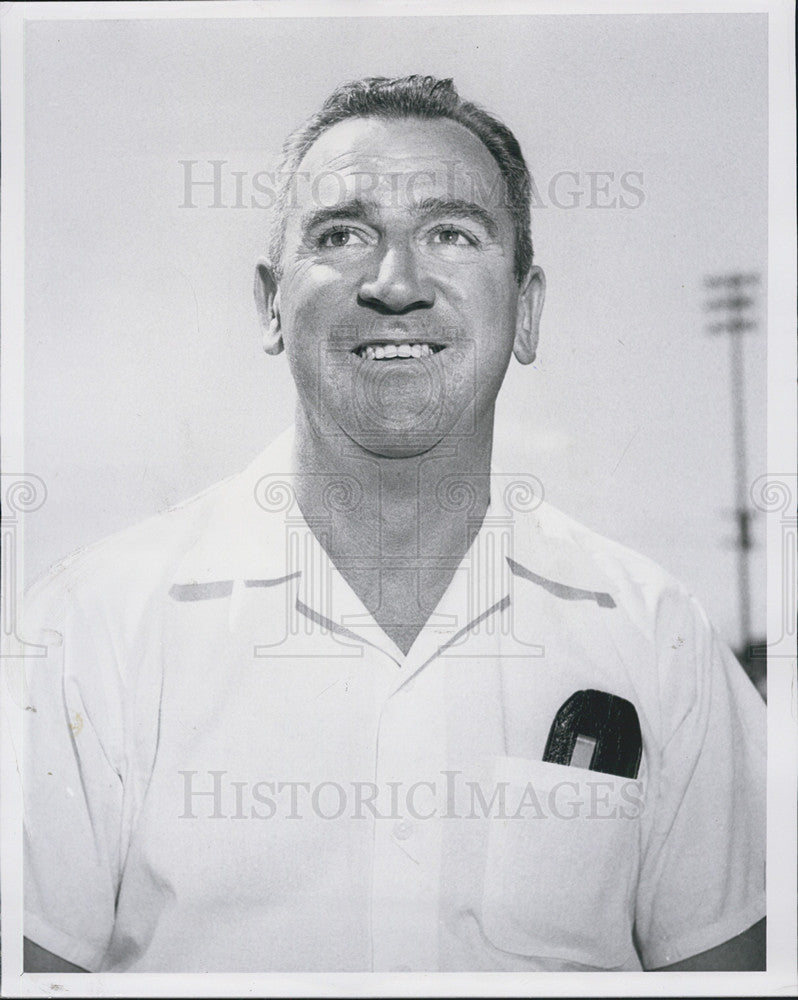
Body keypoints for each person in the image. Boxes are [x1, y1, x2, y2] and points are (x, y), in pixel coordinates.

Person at [23, 75, 765, 974]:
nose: (396, 283)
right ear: (269, 304)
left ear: (526, 312)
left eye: (452, 234)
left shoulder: (658, 637)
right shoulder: (91, 627)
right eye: (342, 234)